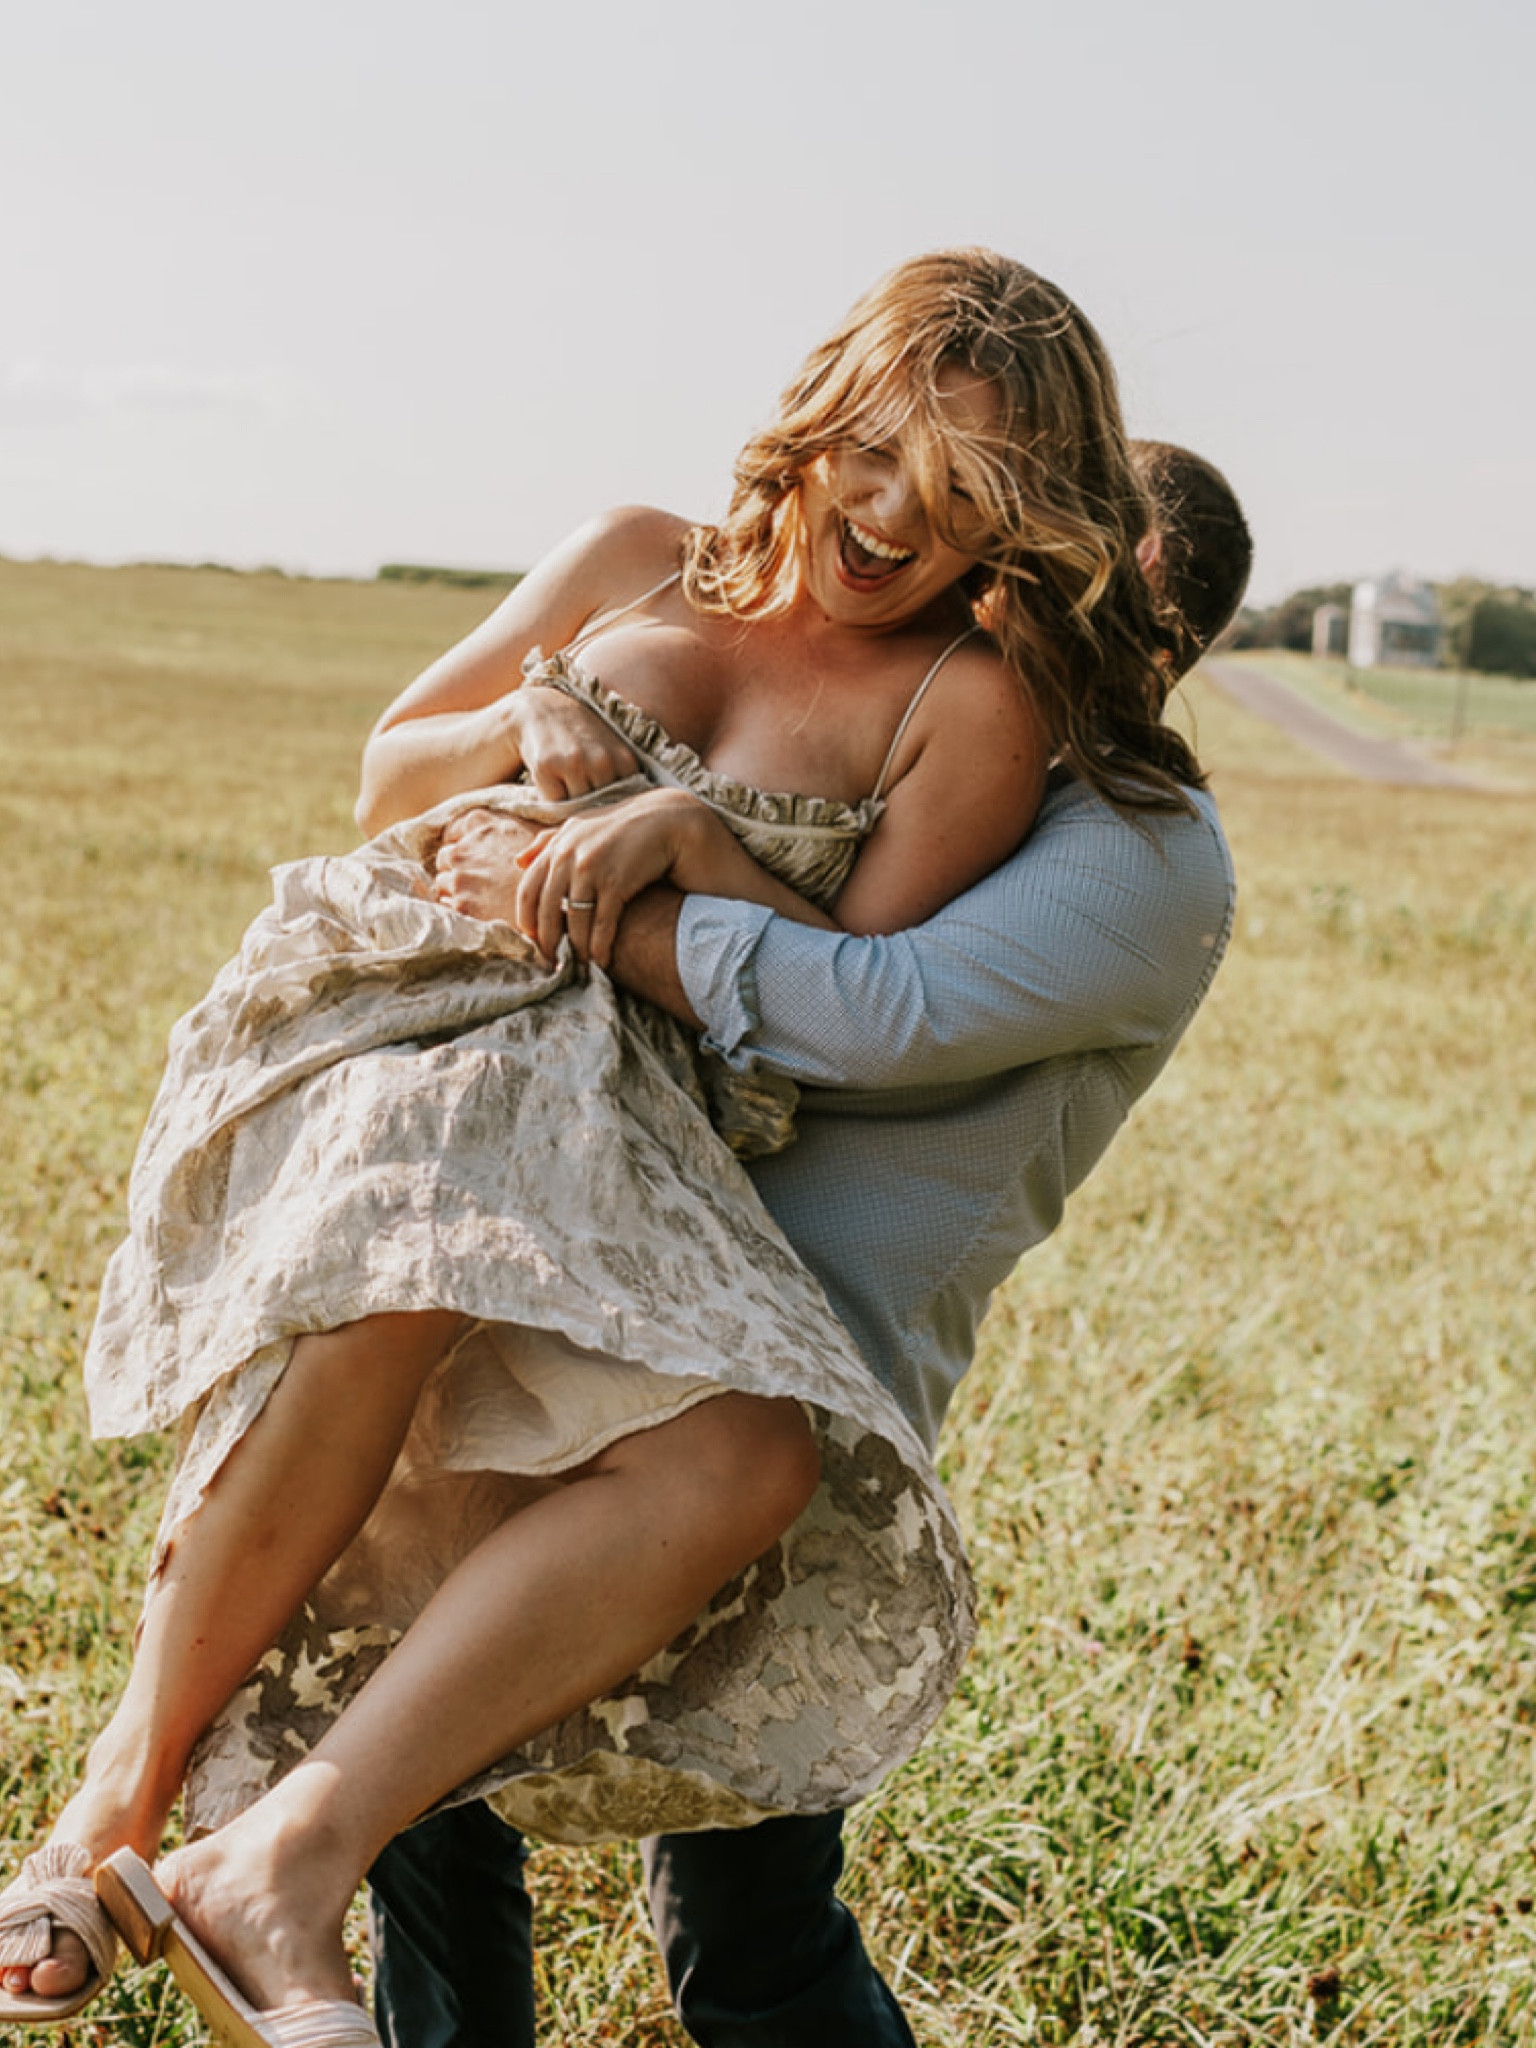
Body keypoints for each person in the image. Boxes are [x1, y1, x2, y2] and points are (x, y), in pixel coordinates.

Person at [0, 251, 1197, 2048]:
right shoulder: (631, 551)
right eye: (875, 451)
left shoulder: (968, 703)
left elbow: (844, 995)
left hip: (635, 1115)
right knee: (432, 1212)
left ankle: (268, 1866)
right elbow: (387, 773)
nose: (889, 515)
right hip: (393, 1014)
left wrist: (689, 841)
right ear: (822, 411)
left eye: (961, 497)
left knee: (746, 1467)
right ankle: (113, 1809)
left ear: (1022, 530)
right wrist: (520, 722)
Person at [365, 439, 1253, 2046]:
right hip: (614, 1305)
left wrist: (604, 879)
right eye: (1012, 567)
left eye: (1062, 589)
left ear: (1165, 646)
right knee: (428, 1816)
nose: (1005, 611)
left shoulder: (1141, 849)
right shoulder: (936, 745)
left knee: (746, 1914)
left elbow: (868, 1013)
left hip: (807, 1386)